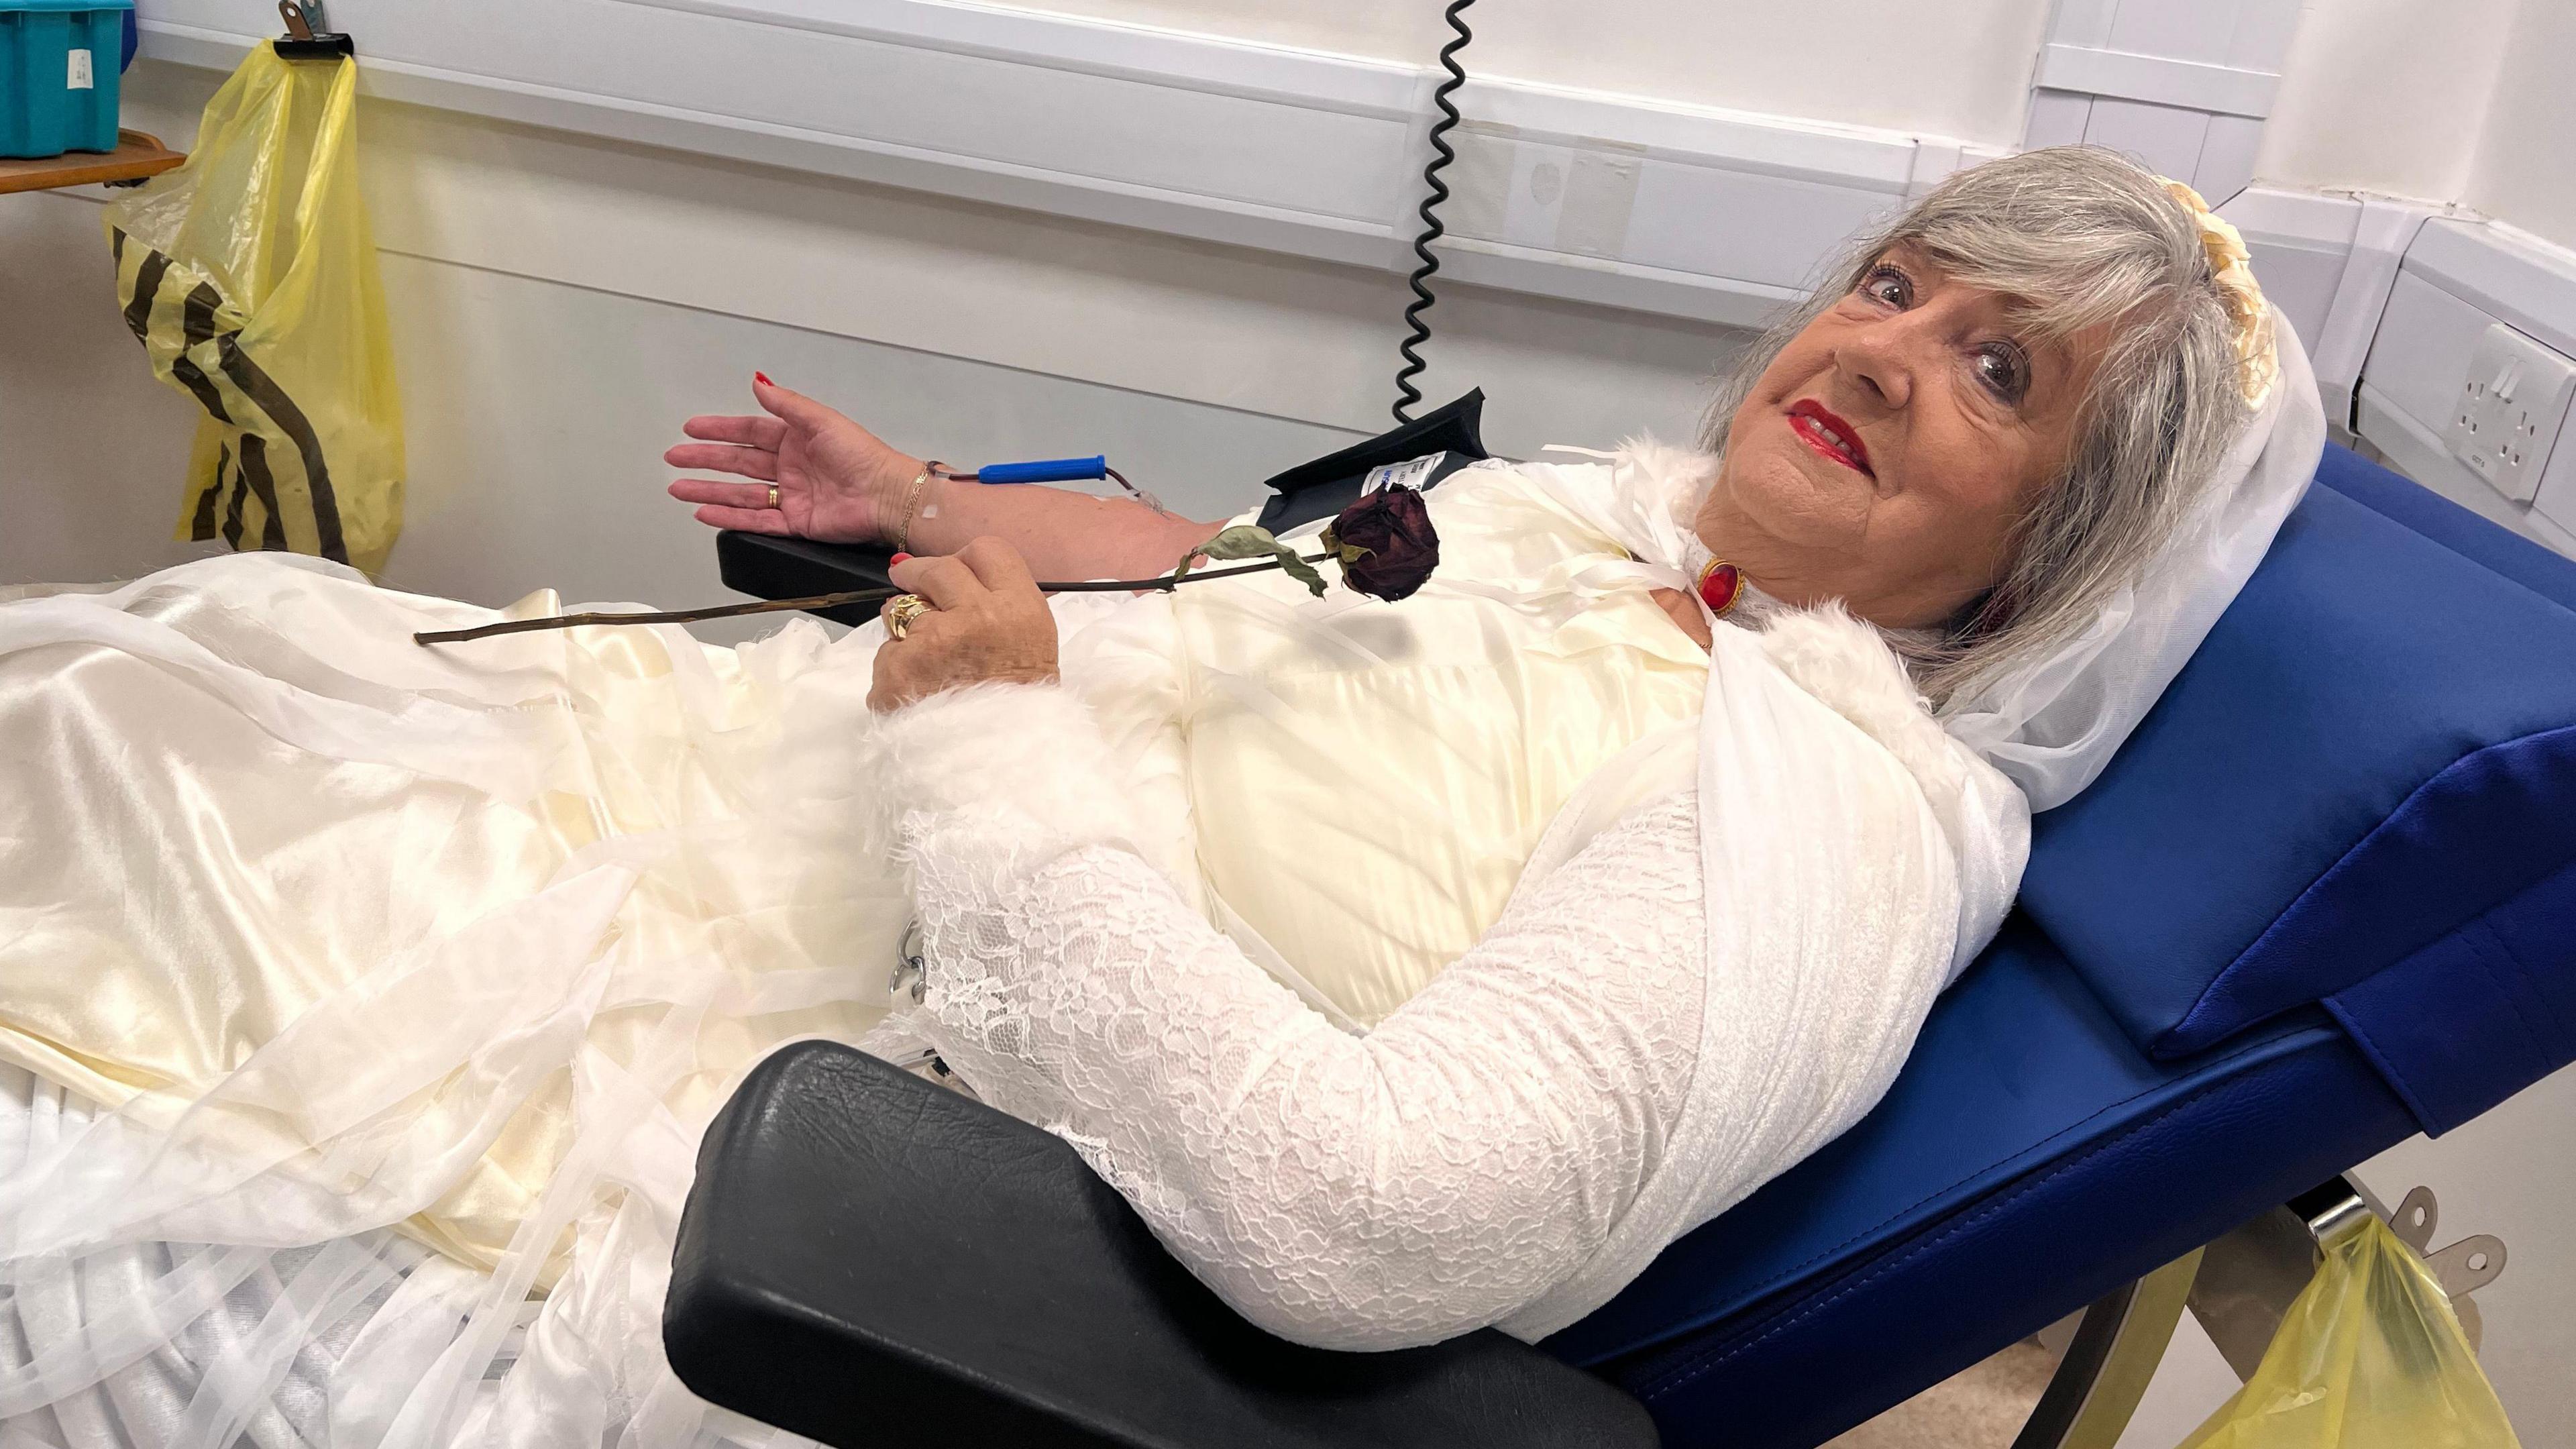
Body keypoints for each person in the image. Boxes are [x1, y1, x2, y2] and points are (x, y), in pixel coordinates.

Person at [0, 146, 2321, 1447]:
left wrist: (998, 741)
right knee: (175, 691)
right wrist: (920, 495)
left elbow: (1368, 1227)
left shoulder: (1819, 826)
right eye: (1898, 286)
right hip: (752, 825)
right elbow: (1254, 580)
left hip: (830, 1097)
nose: (1885, 352)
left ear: (2056, 540)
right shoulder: (1613, 523)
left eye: (1991, 368)